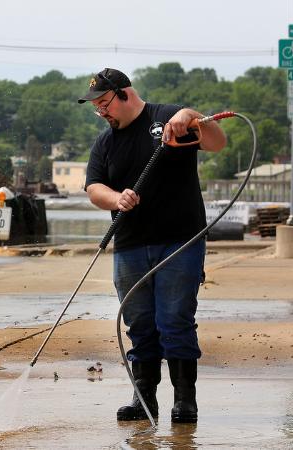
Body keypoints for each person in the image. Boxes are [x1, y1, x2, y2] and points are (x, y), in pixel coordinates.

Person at [78, 68, 227, 423]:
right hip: (129, 244)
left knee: (175, 319)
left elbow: (216, 142)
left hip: (180, 241)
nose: (101, 112)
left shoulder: (168, 119)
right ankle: (143, 399)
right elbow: (93, 188)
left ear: (125, 94)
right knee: (139, 323)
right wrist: (116, 199)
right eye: (96, 107)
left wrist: (191, 116)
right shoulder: (105, 142)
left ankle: (184, 401)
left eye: (104, 103)